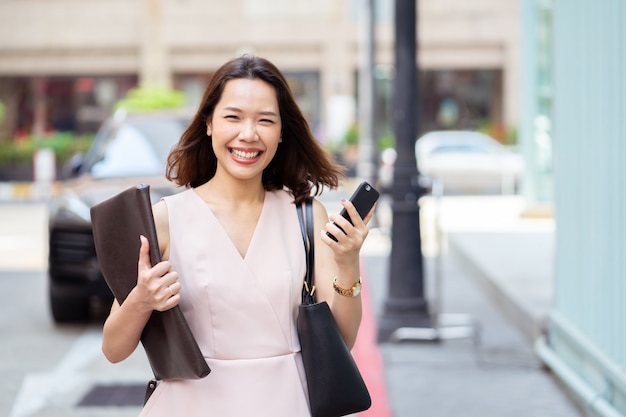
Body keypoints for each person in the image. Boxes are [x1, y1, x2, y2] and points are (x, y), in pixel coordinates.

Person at [101, 54, 375, 416]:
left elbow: (343, 341)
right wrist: (142, 300)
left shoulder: (305, 216)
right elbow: (113, 349)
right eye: (233, 117)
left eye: (265, 120)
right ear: (209, 123)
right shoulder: (165, 219)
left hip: (286, 403)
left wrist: (347, 261)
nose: (249, 134)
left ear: (281, 133)